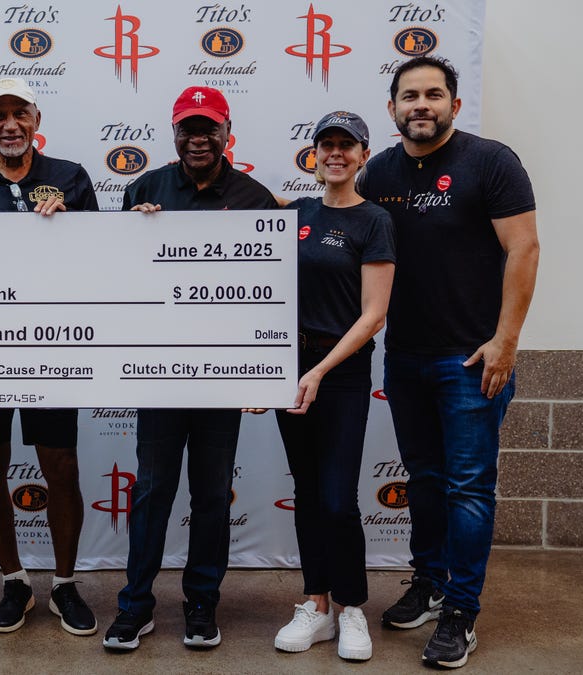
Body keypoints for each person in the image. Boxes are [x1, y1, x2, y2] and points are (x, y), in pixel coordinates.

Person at [358, 56, 539, 669]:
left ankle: (462, 610)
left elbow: (524, 248)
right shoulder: (376, 171)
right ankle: (430, 581)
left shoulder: (491, 162)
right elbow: (328, 217)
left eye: (434, 94)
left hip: (472, 361)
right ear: (392, 109)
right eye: (410, 96)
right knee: (428, 483)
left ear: (454, 106)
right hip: (404, 357)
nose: (422, 105)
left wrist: (506, 340)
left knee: (467, 489)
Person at [103, 86, 277, 652]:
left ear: (229, 134)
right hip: (157, 374)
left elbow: (267, 296)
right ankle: (136, 605)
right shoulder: (145, 188)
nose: (197, 138)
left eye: (209, 128)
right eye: (187, 128)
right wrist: (135, 232)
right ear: (173, 133)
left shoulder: (255, 199)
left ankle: (202, 603)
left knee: (210, 495)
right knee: (152, 492)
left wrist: (260, 371)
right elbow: (116, 279)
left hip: (221, 377)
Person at [0, 77, 99, 636]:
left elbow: (101, 261)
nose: (10, 124)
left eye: (19, 113)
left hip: (53, 345)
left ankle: (66, 585)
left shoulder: (71, 178)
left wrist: (67, 226)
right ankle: (13, 580)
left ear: (35, 118)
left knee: (62, 465)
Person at [262, 111, 395, 662]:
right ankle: (315, 606)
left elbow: (374, 315)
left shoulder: (374, 222)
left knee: (339, 499)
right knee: (310, 494)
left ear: (363, 155)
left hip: (338, 374)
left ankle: (353, 609)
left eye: (347, 145)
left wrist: (318, 372)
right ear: (313, 155)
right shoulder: (296, 214)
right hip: (292, 371)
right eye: (326, 144)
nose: (335, 153)